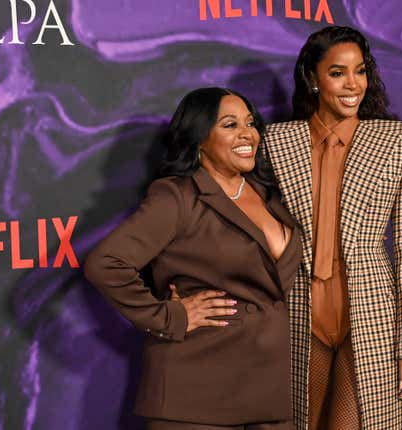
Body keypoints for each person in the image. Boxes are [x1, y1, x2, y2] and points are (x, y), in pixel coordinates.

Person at [84, 87, 301, 430]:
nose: (248, 134)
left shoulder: (270, 192)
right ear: (199, 139)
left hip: (273, 396)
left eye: (250, 122)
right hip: (196, 394)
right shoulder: (178, 197)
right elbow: (106, 264)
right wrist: (170, 316)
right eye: (230, 125)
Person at [264, 26, 402, 429]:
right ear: (312, 78)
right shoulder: (275, 141)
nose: (352, 84)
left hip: (370, 314)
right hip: (296, 311)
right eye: (338, 72)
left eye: (360, 71)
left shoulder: (399, 140)